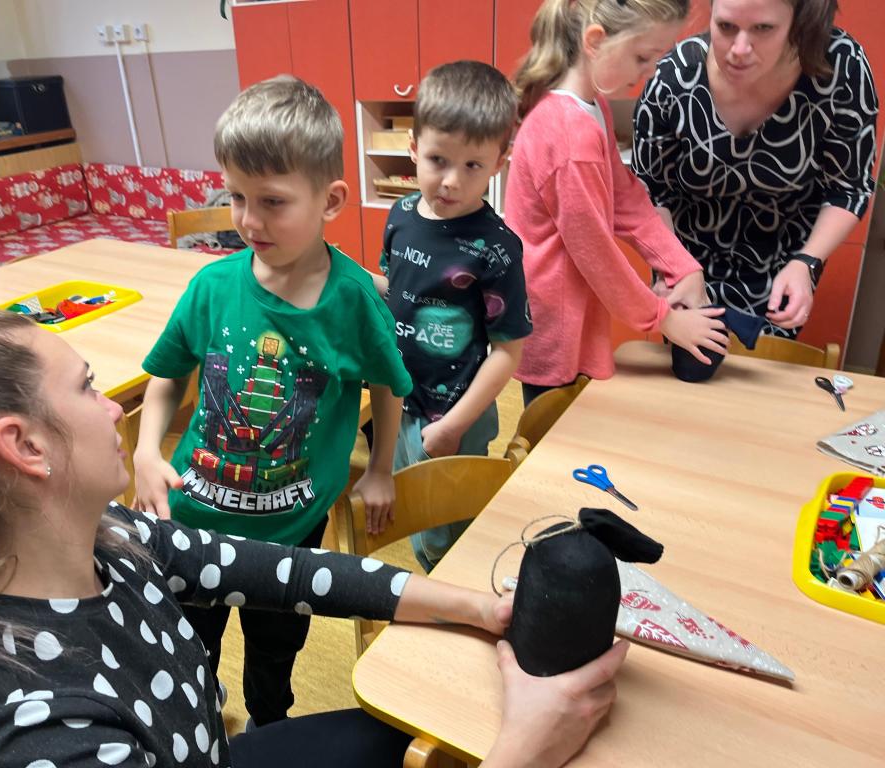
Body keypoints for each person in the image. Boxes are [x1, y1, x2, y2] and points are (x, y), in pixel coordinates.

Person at [0, 307, 629, 768]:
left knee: (416, 737)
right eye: (88, 387)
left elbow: (287, 573)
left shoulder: (107, 540)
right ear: (24, 446)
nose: (114, 408)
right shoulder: (32, 734)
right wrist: (525, 751)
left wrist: (477, 608)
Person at [132, 76, 411, 729]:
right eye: (236, 197)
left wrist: (380, 468)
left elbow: (388, 385)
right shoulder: (211, 287)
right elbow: (166, 375)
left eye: (272, 202)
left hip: (290, 533)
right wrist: (145, 451)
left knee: (273, 660)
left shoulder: (353, 301)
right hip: (193, 522)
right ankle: (198, 729)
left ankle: (269, 730)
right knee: (187, 656)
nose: (249, 221)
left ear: (330, 200)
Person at [505, 0, 728, 406]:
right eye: (642, 57)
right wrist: (665, 319)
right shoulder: (570, 135)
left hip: (575, 312)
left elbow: (626, 199)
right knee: (550, 431)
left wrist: (682, 266)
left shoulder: (593, 109)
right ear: (595, 41)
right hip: (554, 326)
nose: (649, 72)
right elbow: (597, 254)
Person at [633, 0, 879, 336]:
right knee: (690, 363)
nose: (739, 49)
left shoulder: (839, 67)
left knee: (764, 361)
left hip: (785, 261)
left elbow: (847, 188)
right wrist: (671, 267)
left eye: (763, 28)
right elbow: (650, 189)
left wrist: (807, 262)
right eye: (726, 27)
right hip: (685, 260)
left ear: (798, 23)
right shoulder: (674, 77)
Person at [373, 60, 532, 571]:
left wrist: (454, 425)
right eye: (438, 159)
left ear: (499, 162)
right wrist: (351, 279)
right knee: (418, 517)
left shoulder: (497, 248)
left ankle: (461, 598)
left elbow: (507, 352)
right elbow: (399, 292)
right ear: (413, 147)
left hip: (457, 415)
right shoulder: (400, 217)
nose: (450, 181)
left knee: (452, 537)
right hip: (401, 399)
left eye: (472, 166)